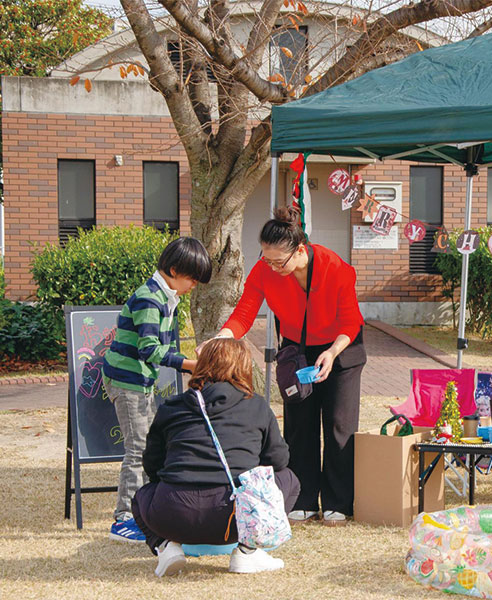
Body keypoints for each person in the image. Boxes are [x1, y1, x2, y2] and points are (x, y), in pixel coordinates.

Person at [211, 206, 366, 526]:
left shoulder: (334, 267)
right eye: (265, 258)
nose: (270, 266)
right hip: (297, 350)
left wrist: (333, 352)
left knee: (339, 425)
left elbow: (351, 321)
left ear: (299, 250)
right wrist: (221, 337)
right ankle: (303, 498)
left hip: (341, 346)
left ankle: (338, 501)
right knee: (299, 423)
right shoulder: (265, 270)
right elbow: (244, 314)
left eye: (277, 261)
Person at [133, 337, 300, 576]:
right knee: (289, 479)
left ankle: (165, 546)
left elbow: (151, 464)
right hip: (236, 516)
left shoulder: (171, 407)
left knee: (141, 497)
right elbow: (279, 461)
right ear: (243, 368)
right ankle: (247, 552)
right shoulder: (257, 406)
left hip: (172, 513)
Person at [102, 236, 211, 543]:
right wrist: (190, 365)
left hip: (140, 380)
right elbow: (150, 350)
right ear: (174, 270)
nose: (194, 286)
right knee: (138, 450)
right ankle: (124, 520)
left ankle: (147, 510)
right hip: (127, 382)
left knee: (149, 446)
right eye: (192, 278)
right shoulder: (149, 299)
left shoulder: (164, 296)